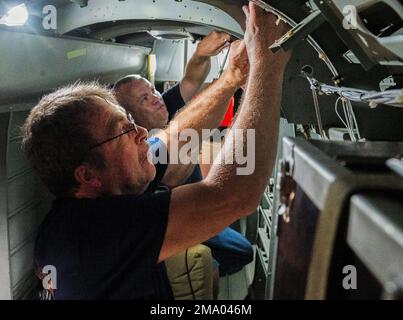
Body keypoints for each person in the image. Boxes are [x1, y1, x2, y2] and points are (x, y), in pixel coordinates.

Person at [22, 3, 291, 299]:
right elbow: (233, 195)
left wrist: (233, 77)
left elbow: (176, 135)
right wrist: (268, 62)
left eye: (133, 123)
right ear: (87, 175)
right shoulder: (92, 232)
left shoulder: (113, 181)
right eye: (124, 130)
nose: (140, 133)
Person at [113, 32, 253, 284]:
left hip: (200, 203)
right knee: (242, 251)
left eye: (152, 90)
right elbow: (185, 139)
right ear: (130, 115)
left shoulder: (163, 107)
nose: (156, 98)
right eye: (145, 98)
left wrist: (202, 52)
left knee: (238, 243)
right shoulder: (144, 150)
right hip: (180, 218)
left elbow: (192, 78)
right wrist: (232, 79)